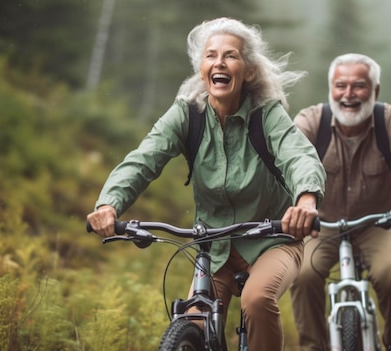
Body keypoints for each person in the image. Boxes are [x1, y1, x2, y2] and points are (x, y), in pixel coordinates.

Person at [87, 17, 326, 351]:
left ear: (249, 71)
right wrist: (108, 204)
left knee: (257, 301)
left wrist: (306, 202)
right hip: (213, 246)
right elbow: (144, 158)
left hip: (272, 239)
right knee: (193, 322)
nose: (219, 62)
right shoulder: (187, 114)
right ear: (201, 68)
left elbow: (298, 155)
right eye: (211, 55)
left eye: (231, 55)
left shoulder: (266, 115)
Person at [290, 53, 391, 351]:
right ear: (330, 89)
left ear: (375, 91)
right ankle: (312, 346)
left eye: (358, 86)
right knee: (303, 274)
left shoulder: (390, 120)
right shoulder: (311, 121)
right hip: (323, 224)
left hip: (380, 223)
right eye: (340, 85)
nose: (348, 94)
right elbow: (290, 158)